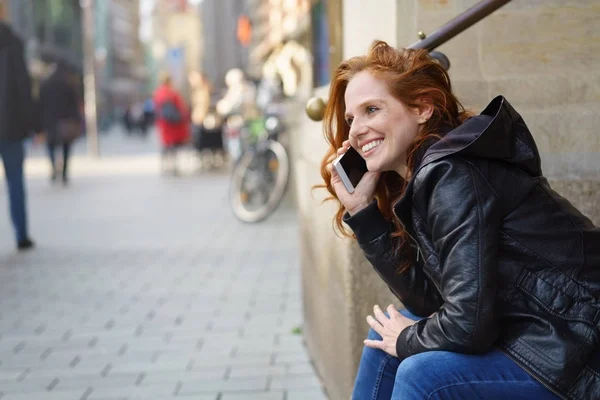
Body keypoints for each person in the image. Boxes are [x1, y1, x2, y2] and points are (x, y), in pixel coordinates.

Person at [319, 41, 599, 399]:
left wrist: (406, 339)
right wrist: (362, 211)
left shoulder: (451, 174)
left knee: (421, 372)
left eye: (371, 110)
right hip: (530, 332)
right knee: (383, 339)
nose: (356, 130)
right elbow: (434, 304)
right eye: (351, 118)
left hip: (576, 347)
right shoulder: (431, 173)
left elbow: (469, 325)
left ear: (422, 108)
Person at [0, 20, 35, 250]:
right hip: (10, 126)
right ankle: (21, 235)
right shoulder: (13, 43)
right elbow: (24, 88)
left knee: (15, 180)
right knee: (15, 181)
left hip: (11, 126)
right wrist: (30, 124)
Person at [38, 61, 81, 184]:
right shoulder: (68, 84)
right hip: (66, 121)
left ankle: (53, 168)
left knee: (50, 145)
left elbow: (40, 104)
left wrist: (39, 123)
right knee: (66, 147)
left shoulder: (45, 84)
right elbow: (74, 104)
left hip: (50, 121)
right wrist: (76, 119)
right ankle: (64, 172)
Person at [153, 73, 190, 175]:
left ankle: (168, 166)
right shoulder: (171, 93)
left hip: (164, 125)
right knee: (173, 146)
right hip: (174, 125)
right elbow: (181, 108)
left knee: (167, 145)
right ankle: (173, 166)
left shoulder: (158, 93)